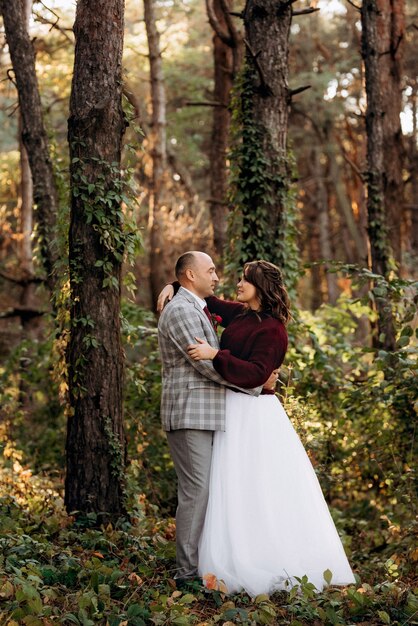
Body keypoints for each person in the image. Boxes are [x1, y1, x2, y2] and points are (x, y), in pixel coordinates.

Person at [159, 259, 356, 596]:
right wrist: (173, 286)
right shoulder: (241, 314)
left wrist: (214, 354)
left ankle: (265, 556)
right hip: (229, 410)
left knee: (259, 488)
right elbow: (204, 298)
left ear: (260, 288)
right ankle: (225, 555)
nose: (235, 283)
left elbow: (256, 373)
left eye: (244, 280)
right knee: (228, 488)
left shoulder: (273, 329)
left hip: (255, 415)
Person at [157, 251, 277, 590]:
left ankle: (205, 562)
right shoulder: (181, 309)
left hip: (208, 413)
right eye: (211, 270)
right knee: (196, 491)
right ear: (191, 276)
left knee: (208, 490)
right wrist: (256, 384)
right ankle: (186, 574)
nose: (218, 277)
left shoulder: (198, 306)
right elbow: (205, 365)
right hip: (190, 412)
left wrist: (171, 285)